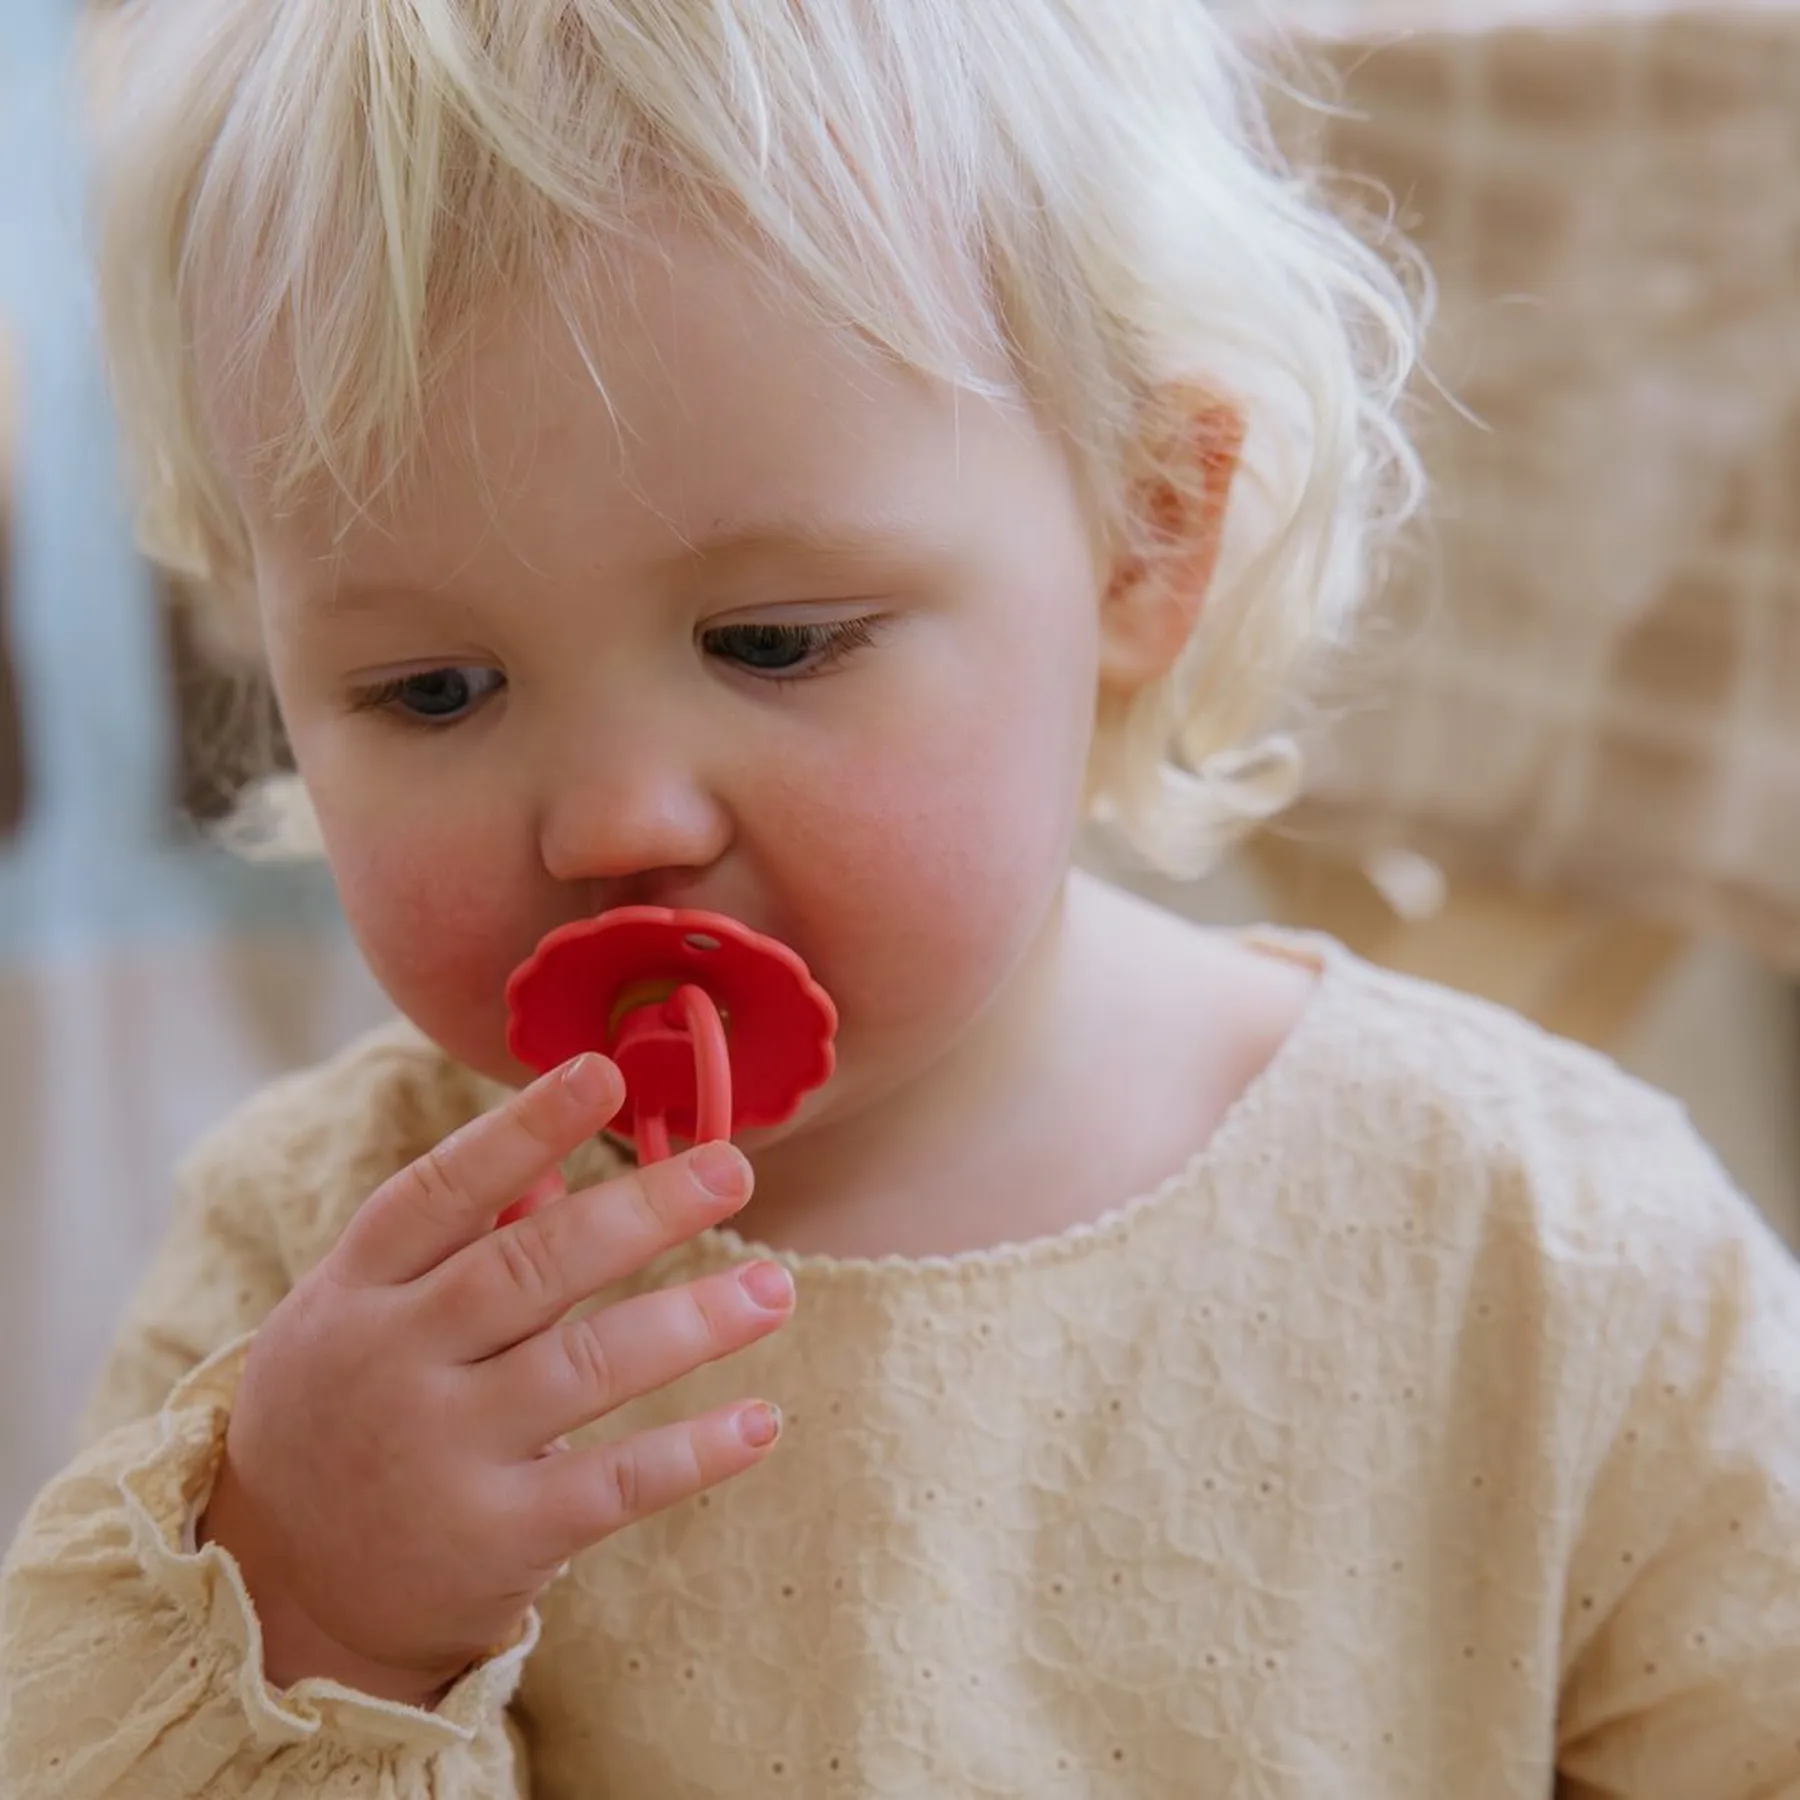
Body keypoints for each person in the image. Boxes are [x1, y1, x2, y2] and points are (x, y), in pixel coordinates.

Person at [4, 0, 1798, 1793]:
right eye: (434, 691)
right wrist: (316, 1605)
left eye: (770, 641)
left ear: (1144, 536)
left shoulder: (1536, 1241)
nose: (614, 819)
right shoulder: (313, 1267)